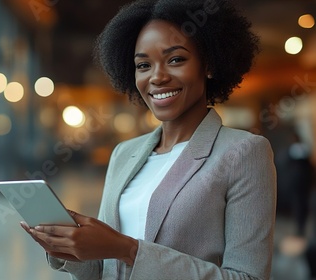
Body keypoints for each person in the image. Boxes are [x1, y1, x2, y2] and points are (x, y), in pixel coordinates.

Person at [21, 0, 277, 279]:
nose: (157, 77)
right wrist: (70, 248)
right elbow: (106, 269)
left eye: (176, 59)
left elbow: (248, 277)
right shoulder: (124, 153)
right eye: (143, 65)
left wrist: (127, 249)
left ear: (209, 65)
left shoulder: (244, 152)